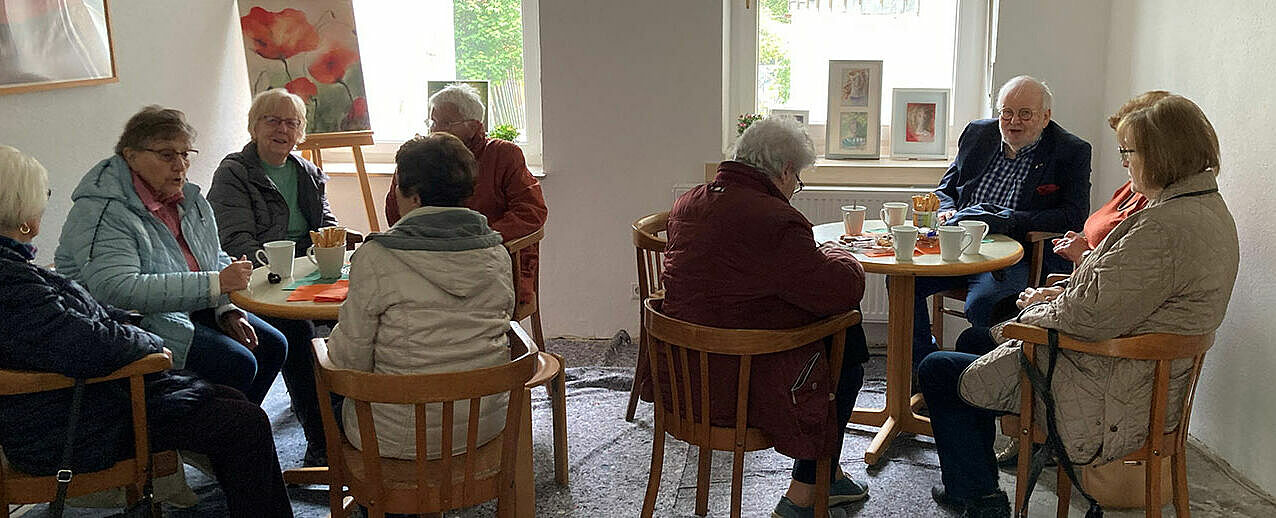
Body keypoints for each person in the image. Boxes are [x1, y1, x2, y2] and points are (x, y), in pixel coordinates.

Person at [918, 95, 1237, 518]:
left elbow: (1086, 317)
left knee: (938, 369)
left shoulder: (1161, 228)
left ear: (1160, 155)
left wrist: (1027, 313)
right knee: (978, 337)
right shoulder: (1203, 210)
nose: (1125, 163)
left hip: (1108, 385)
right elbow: (1118, 295)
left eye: (1129, 151)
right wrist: (1054, 297)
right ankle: (974, 483)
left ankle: (978, 496)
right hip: (1133, 371)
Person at [0, 145, 293, 517]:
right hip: (67, 426)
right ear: (25, 215)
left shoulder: (14, 271)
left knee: (235, 402)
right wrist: (149, 340)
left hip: (71, 406)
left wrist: (136, 326)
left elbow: (82, 326)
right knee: (243, 422)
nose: (179, 165)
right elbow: (86, 342)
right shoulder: (12, 282)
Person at [656, 117, 869, 518]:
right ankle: (806, 490)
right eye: (798, 179)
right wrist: (841, 253)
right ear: (785, 170)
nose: (794, 189)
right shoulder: (774, 220)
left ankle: (830, 470)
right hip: (740, 382)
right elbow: (841, 289)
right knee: (849, 340)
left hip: (686, 375)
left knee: (832, 329)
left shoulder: (690, 201)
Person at [54, 106, 287, 405]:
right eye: (166, 155)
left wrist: (228, 309)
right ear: (131, 156)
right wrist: (216, 285)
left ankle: (226, 430)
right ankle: (201, 434)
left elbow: (212, 257)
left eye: (185, 154)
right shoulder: (102, 209)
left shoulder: (189, 198)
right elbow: (117, 289)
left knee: (272, 345)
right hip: (125, 322)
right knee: (237, 362)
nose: (180, 166)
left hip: (187, 304)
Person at [327, 133, 515, 460]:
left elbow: (348, 363)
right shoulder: (497, 253)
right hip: (482, 426)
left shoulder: (376, 258)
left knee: (325, 375)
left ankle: (374, 497)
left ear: (413, 197)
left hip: (398, 438)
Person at [207, 88, 359, 466]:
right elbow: (234, 240)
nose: (282, 129)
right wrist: (286, 268)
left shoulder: (307, 172)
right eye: (272, 120)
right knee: (299, 336)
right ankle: (321, 442)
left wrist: (333, 246)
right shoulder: (234, 173)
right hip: (262, 277)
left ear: (300, 131)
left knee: (353, 320)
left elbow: (325, 225)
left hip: (309, 272)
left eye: (291, 123)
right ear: (254, 127)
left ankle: (352, 423)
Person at [911, 75, 1092, 366]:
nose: (1013, 121)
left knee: (985, 304)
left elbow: (1073, 216)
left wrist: (1008, 221)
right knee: (904, 282)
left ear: (1045, 117)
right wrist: (945, 209)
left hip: (1013, 255)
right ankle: (922, 366)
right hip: (954, 246)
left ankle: (976, 380)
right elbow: (945, 189)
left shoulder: (1069, 151)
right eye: (1006, 112)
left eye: (1025, 114)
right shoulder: (978, 134)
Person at [383, 83, 546, 307]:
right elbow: (395, 214)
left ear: (474, 127)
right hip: (428, 258)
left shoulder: (503, 154)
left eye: (446, 123)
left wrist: (478, 238)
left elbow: (530, 212)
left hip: (488, 257)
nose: (435, 129)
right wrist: (407, 168)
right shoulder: (422, 158)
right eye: (432, 122)